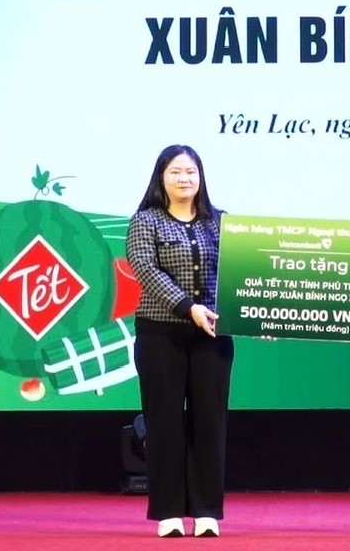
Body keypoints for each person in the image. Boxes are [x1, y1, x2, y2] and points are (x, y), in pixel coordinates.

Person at [126, 144, 232, 538]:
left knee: (210, 422)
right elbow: (146, 270)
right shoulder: (145, 221)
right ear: (161, 177)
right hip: (160, 334)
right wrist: (189, 307)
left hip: (212, 337)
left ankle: (207, 512)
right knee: (164, 422)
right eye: (176, 172)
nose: (184, 178)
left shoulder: (221, 222)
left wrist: (257, 314)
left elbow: (243, 274)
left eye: (191, 172)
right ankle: (168, 511)